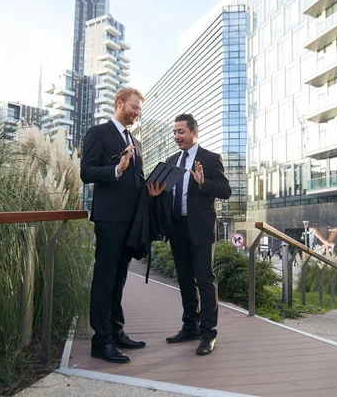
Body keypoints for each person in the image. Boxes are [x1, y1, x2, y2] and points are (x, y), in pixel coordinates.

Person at [81, 87, 164, 364]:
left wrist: (150, 191)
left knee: (119, 279)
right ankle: (100, 341)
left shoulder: (136, 142)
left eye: (139, 108)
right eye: (134, 106)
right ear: (119, 103)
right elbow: (86, 172)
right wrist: (117, 169)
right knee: (105, 280)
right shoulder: (99, 133)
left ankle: (116, 332)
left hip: (131, 221)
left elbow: (136, 180)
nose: (137, 112)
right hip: (109, 219)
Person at [164, 114, 231, 355]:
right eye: (174, 132)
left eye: (180, 132)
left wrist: (204, 183)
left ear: (194, 133)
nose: (176, 136)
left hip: (201, 229)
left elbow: (225, 190)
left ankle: (208, 334)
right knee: (184, 280)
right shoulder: (171, 160)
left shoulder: (211, 159)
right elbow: (167, 193)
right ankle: (189, 327)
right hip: (177, 228)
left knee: (204, 280)